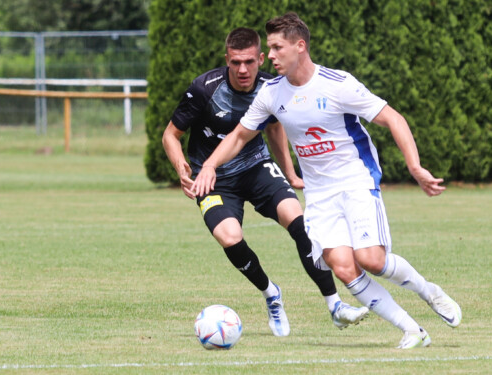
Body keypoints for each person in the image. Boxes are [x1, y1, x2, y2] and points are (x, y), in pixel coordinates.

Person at [192, 14, 462, 349]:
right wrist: (210, 166)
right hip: (319, 193)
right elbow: (239, 136)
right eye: (271, 48)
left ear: (300, 46)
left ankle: (428, 291)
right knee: (343, 269)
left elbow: (393, 118)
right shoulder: (271, 93)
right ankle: (413, 331)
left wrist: (415, 167)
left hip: (355, 179)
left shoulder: (338, 84)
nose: (270, 56)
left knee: (371, 260)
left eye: (277, 47)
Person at [162, 27, 369, 337]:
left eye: (249, 62)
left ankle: (335, 305)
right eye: (235, 62)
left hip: (257, 167)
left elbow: (274, 129)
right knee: (230, 238)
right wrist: (182, 168)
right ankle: (271, 293)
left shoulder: (271, 88)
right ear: (227, 60)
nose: (242, 69)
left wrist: (289, 171)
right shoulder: (205, 88)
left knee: (300, 224)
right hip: (213, 178)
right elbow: (170, 135)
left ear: (261, 59)